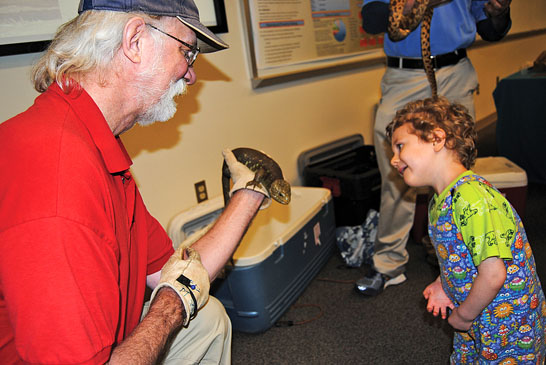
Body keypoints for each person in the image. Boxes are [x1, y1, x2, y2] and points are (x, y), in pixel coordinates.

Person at [0, 1, 271, 363]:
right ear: (136, 40)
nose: (190, 74)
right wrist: (170, 306)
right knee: (183, 313)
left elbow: (169, 273)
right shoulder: (60, 179)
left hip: (101, 341)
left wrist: (248, 195)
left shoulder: (92, 140)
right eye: (186, 51)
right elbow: (173, 292)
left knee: (206, 320)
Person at [355, 0, 513, 296]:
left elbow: (492, 30)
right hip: (405, 76)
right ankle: (388, 263)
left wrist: (498, 11)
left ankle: (457, 260)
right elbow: (372, 20)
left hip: (455, 71)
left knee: (456, 173)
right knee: (397, 169)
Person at [387, 96, 546, 363]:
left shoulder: (472, 197)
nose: (394, 160)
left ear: (437, 139)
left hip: (507, 324)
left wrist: (463, 315)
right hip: (478, 310)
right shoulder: (440, 198)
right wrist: (444, 284)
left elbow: (494, 274)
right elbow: (460, 254)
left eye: (400, 146)